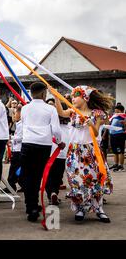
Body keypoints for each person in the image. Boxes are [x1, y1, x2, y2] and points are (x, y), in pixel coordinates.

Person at [53, 85, 114, 222]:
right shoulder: (73, 111)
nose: (73, 99)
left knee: (95, 179)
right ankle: (81, 208)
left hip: (92, 151)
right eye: (73, 96)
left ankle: (99, 208)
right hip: (75, 151)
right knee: (77, 180)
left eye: (76, 96)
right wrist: (57, 97)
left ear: (85, 98)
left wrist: (90, 124)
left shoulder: (97, 113)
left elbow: (97, 132)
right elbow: (61, 113)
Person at [20, 82, 63, 222]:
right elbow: (56, 129)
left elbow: (23, 125)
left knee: (27, 176)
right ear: (44, 93)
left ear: (31, 93)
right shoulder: (50, 109)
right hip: (43, 145)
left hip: (27, 143)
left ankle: (31, 206)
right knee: (39, 175)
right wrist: (59, 141)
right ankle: (39, 201)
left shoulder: (25, 109)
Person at [46, 101, 71, 205]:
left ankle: (51, 194)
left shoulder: (50, 125)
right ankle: (54, 192)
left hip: (50, 153)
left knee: (48, 175)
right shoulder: (70, 126)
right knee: (58, 176)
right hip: (63, 154)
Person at [7, 105, 23, 193]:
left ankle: (11, 185)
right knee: (17, 168)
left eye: (15, 113)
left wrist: (11, 138)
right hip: (16, 148)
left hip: (19, 149)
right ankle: (21, 183)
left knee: (14, 168)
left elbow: (21, 137)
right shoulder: (19, 124)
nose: (14, 115)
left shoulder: (22, 124)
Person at [109, 103, 125, 172]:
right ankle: (116, 164)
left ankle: (121, 165)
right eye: (115, 111)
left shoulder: (124, 117)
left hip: (120, 135)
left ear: (122, 111)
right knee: (115, 151)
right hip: (113, 135)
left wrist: (124, 123)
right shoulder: (114, 116)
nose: (116, 113)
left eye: (117, 111)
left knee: (120, 151)